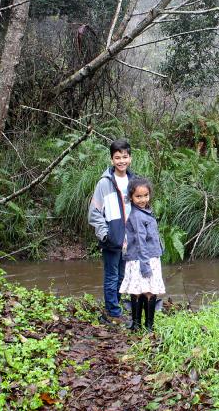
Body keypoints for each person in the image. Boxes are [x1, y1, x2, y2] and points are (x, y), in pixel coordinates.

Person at [89, 139, 134, 325]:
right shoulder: (104, 183)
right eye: (117, 157)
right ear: (111, 159)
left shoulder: (133, 181)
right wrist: (105, 234)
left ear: (130, 158)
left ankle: (114, 306)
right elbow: (94, 213)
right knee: (111, 275)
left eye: (125, 157)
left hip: (129, 238)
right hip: (111, 238)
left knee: (123, 276)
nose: (121, 161)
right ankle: (113, 313)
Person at [118, 177, 165, 332]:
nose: (143, 199)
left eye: (146, 195)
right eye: (138, 196)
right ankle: (145, 326)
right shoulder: (137, 216)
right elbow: (140, 241)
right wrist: (145, 265)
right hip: (143, 259)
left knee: (140, 290)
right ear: (131, 197)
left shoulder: (145, 212)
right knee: (146, 291)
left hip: (146, 257)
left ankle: (140, 324)